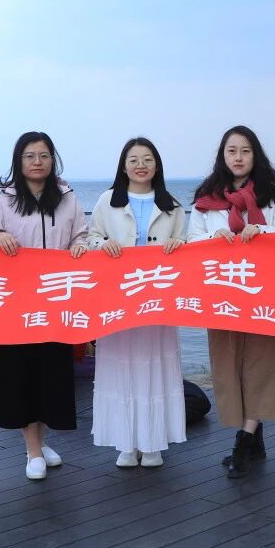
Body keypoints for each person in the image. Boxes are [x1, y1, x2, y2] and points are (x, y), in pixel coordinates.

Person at [187, 125, 275, 478]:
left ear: (255, 155)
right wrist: (213, 237)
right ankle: (254, 433)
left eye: (245, 150)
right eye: (231, 151)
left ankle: (244, 440)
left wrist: (262, 231)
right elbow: (191, 241)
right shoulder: (206, 197)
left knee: (262, 361)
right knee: (229, 362)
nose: (238, 157)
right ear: (222, 155)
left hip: (263, 291)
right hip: (223, 293)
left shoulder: (273, 193)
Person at [0, 131, 88, 480]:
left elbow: (82, 236)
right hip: (16, 304)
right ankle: (32, 450)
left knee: (51, 374)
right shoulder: (3, 202)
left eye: (43, 155)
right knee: (22, 374)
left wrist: (81, 246)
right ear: (19, 161)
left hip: (56, 301)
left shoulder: (68, 199)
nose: (37, 162)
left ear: (53, 160)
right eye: (29, 156)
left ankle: (41, 441)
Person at [86, 137, 188, 468]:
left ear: (157, 166)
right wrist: (103, 243)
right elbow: (90, 237)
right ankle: (126, 442)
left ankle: (153, 442)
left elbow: (186, 244)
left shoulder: (172, 204)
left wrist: (179, 244)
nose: (140, 165)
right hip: (118, 297)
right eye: (133, 159)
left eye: (147, 159)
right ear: (124, 166)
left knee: (155, 365)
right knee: (119, 366)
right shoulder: (107, 201)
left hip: (157, 299)